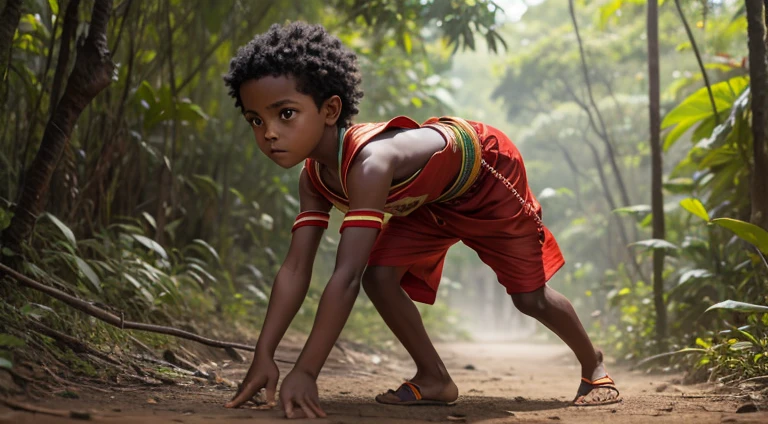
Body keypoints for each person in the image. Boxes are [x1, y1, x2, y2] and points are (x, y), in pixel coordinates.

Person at [222, 21, 621, 419]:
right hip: (427, 201)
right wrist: (264, 354)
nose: (269, 133)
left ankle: (594, 366)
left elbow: (344, 276)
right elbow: (295, 268)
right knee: (380, 277)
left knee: (529, 298)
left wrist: (306, 371)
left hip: (486, 177)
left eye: (285, 114)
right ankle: (434, 378)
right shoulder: (314, 178)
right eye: (256, 120)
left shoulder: (371, 164)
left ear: (330, 110)